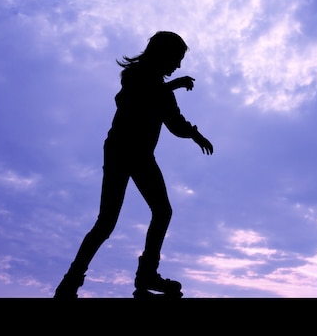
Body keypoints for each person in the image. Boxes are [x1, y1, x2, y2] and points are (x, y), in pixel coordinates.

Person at [54, 31, 214, 299]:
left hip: (142, 156)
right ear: (162, 54)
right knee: (106, 222)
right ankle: (70, 282)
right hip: (120, 151)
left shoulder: (162, 91)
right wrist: (172, 86)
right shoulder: (136, 75)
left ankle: (147, 275)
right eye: (176, 58)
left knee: (162, 212)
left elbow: (175, 124)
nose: (178, 66)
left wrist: (195, 134)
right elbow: (131, 97)